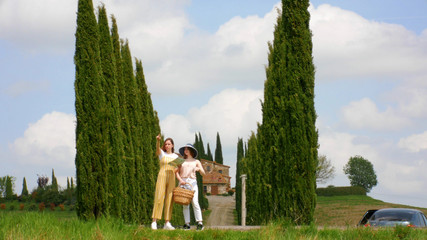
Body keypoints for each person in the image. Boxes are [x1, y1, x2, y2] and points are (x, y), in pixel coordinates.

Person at [176, 143, 206, 230]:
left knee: (195, 202)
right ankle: (187, 224)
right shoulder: (181, 160)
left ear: (191, 151)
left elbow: (203, 173)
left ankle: (200, 223)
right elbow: (176, 171)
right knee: (185, 203)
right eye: (185, 149)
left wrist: (199, 169)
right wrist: (180, 180)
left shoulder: (196, 162)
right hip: (183, 182)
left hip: (192, 183)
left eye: (187, 149)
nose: (186, 150)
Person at [151, 134, 178, 230]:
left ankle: (167, 222)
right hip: (162, 175)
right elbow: (157, 149)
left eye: (169, 144)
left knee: (169, 199)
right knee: (159, 197)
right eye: (165, 144)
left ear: (172, 145)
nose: (167, 145)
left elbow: (177, 168)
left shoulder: (175, 156)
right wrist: (158, 141)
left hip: (171, 177)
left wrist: (178, 170)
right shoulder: (162, 153)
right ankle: (154, 221)